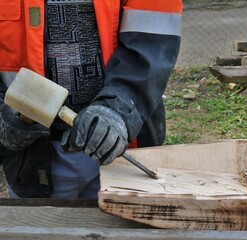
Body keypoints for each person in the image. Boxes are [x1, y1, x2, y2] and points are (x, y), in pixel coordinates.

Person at [0, 0, 183, 199]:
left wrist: (118, 109)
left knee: (124, 228)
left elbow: (152, 43)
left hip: (122, 150)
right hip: (31, 158)